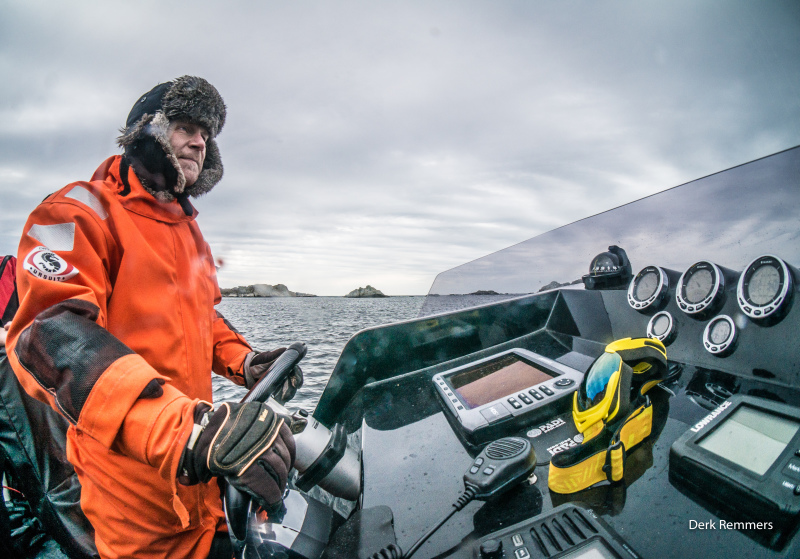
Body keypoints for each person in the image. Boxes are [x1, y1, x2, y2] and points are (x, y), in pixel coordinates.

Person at [6, 77, 301, 559]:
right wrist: (186, 431)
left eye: (206, 135)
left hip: (204, 470)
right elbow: (49, 333)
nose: (200, 142)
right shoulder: (74, 212)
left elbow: (202, 319)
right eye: (186, 127)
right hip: (135, 491)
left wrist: (247, 364)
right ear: (147, 132)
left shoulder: (188, 230)